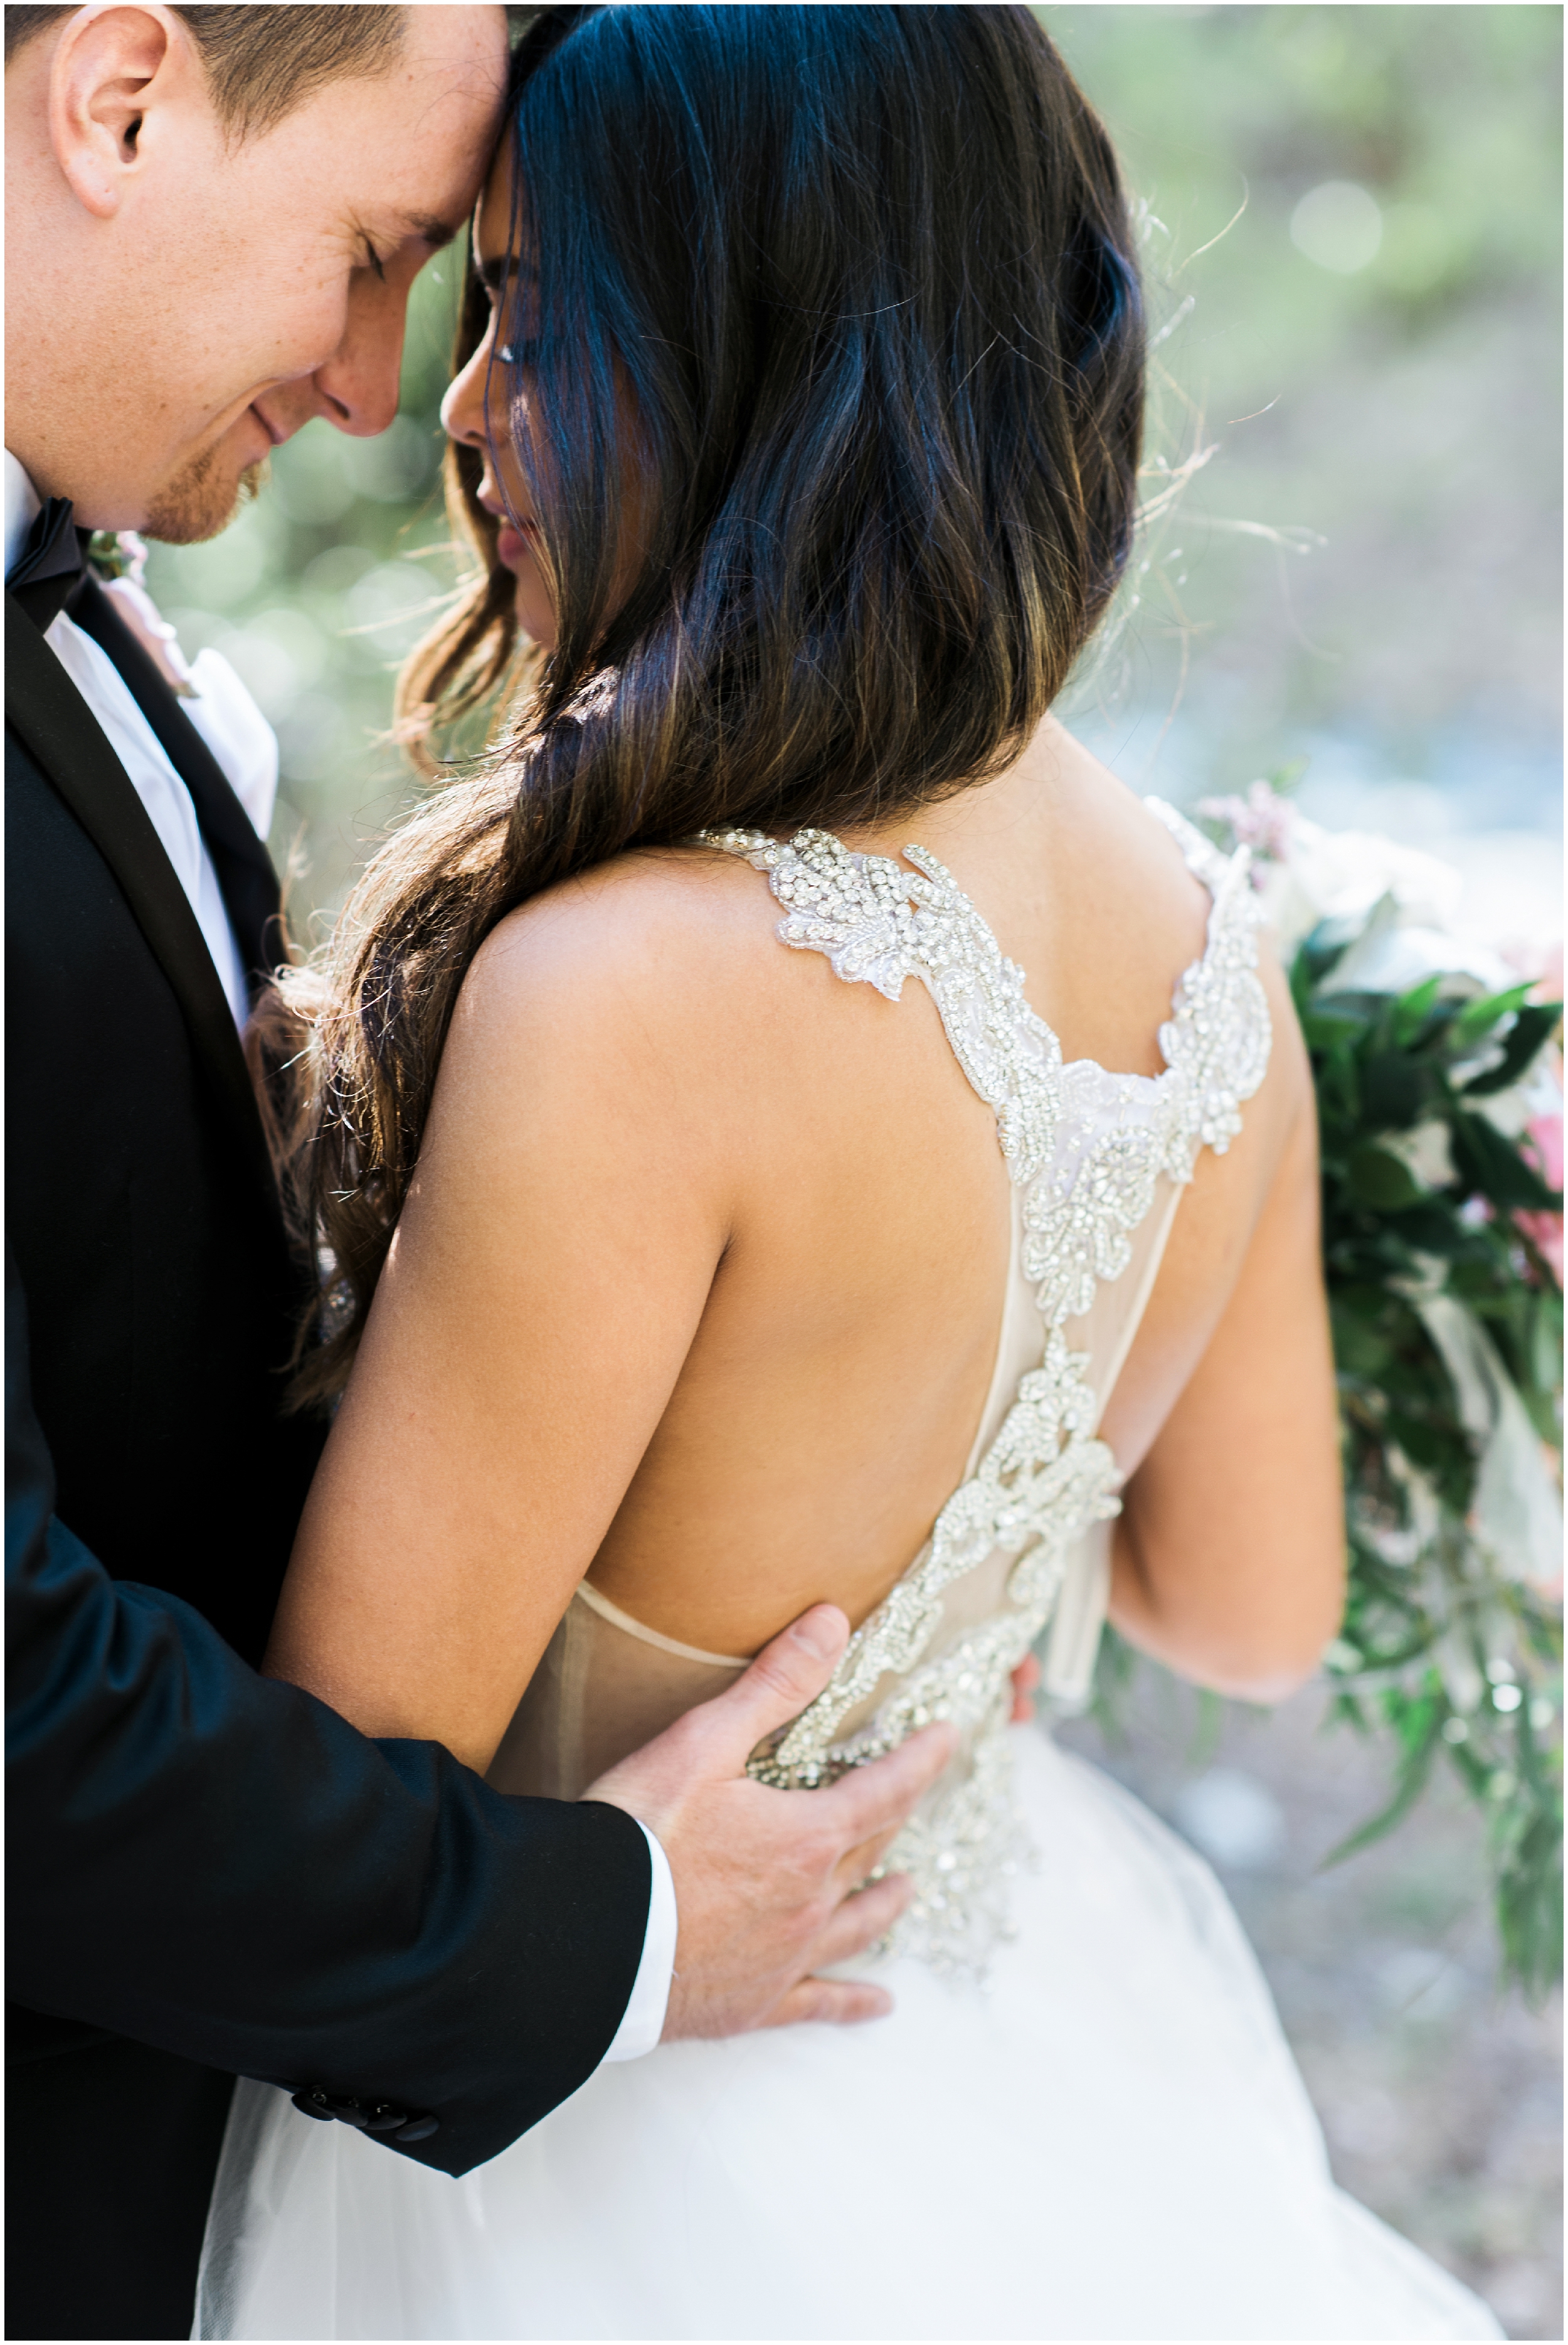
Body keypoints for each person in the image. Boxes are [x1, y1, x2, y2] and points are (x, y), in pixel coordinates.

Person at [189, 7, 1507, 2338]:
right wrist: (944, 1573)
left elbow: (349, 1771)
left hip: (589, 2144)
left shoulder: (627, 998)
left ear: (755, 349)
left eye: (529, 313)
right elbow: (1249, 1604)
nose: (463, 408)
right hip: (1014, 2069)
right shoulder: (1221, 961)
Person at [4, 9, 952, 2340]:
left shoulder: (90, 604)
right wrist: (607, 1925)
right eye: (376, 254)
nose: (369, 385)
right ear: (118, 99)